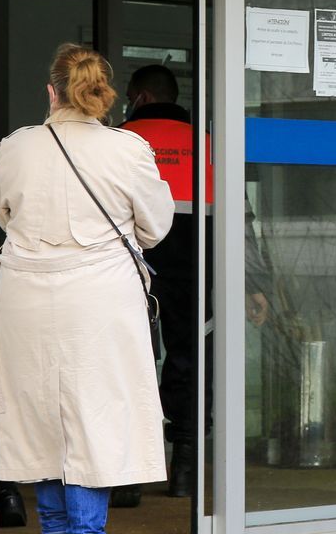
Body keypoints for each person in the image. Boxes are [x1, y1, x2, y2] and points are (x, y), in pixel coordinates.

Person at [0, 44, 174, 534]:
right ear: (104, 95)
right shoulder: (128, 148)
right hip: (101, 298)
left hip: (25, 294)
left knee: (37, 416)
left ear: (51, 91)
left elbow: (5, 216)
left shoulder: (15, 146)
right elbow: (156, 228)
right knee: (97, 419)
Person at [116, 64, 271, 504]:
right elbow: (240, 221)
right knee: (189, 362)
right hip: (196, 272)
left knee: (129, 363)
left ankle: (127, 478)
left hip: (130, 271)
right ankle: (184, 466)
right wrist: (253, 282)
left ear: (141, 98)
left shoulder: (120, 143)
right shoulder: (207, 146)